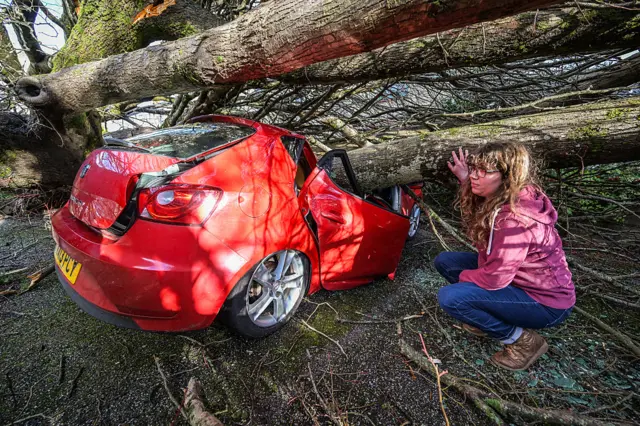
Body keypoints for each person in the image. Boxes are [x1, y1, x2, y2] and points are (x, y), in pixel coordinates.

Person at [434, 142, 575, 371]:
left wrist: (466, 278)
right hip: (518, 280)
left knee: (451, 297)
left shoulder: (514, 219)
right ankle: (486, 315)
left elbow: (495, 279)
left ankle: (521, 341)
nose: (475, 176)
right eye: (474, 168)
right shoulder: (510, 196)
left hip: (546, 303)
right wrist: (465, 180)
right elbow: (482, 221)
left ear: (507, 176)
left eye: (485, 171)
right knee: (445, 262)